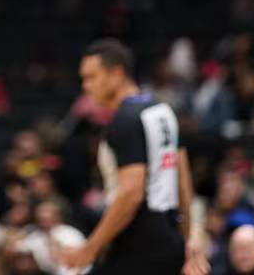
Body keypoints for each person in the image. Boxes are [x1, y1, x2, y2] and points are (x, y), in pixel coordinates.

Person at [61, 39, 209, 275]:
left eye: (92, 77)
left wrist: (90, 249)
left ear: (117, 74)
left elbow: (131, 194)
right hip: (168, 240)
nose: (86, 86)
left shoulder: (124, 121)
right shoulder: (163, 110)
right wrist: (188, 240)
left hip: (136, 244)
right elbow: (182, 182)